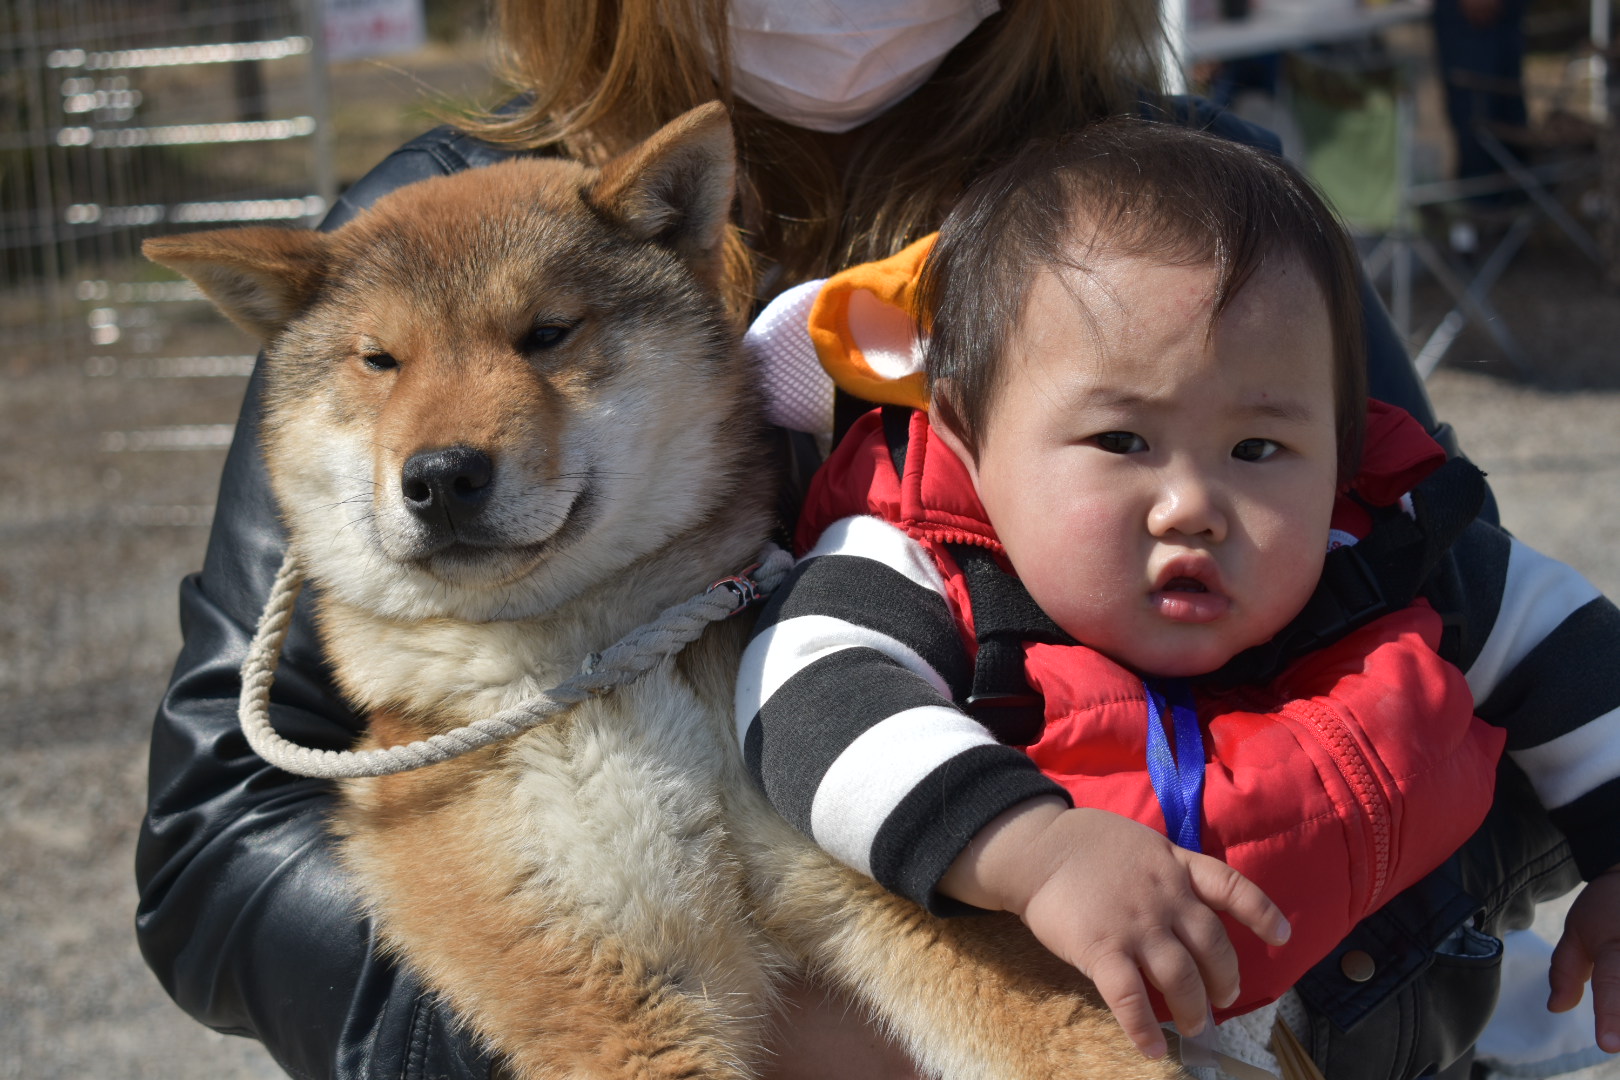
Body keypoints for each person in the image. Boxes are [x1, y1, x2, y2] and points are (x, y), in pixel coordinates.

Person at [132, 2, 1617, 1078]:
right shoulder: (413, 230)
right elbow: (218, 846)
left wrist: (1263, 951)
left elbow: (1457, 645)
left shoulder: (1205, 209)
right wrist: (590, 1006)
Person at [732, 119, 1618, 1067]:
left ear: (1343, 443)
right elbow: (803, 697)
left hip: (1393, 1007)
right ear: (965, 435)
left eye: (1258, 450)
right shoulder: (928, 560)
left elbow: (1573, 648)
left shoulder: (1385, 553)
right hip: (1073, 1024)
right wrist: (1035, 852)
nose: (1193, 506)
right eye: (1121, 443)